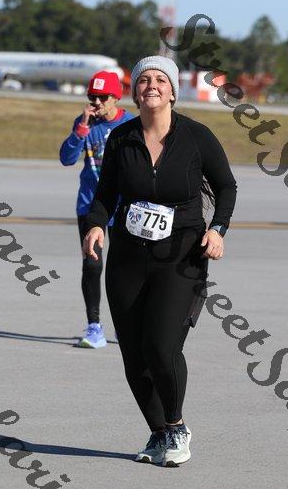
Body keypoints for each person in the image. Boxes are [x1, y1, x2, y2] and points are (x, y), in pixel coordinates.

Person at [82, 56, 237, 466]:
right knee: (133, 354)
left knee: (161, 346)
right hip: (128, 258)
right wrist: (96, 225)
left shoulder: (196, 136)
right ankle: (158, 433)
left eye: (159, 80)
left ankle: (177, 426)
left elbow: (226, 186)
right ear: (134, 92)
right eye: (143, 80)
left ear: (172, 92)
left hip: (182, 258)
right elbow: (105, 192)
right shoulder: (121, 137)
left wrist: (218, 229)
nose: (151, 85)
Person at [60, 71, 134, 348]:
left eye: (103, 97)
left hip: (124, 206)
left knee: (124, 268)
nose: (97, 102)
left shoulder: (131, 124)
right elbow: (67, 159)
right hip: (90, 204)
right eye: (93, 97)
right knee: (92, 265)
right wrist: (81, 129)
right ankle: (94, 327)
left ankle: (126, 324)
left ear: (116, 97)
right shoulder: (85, 124)